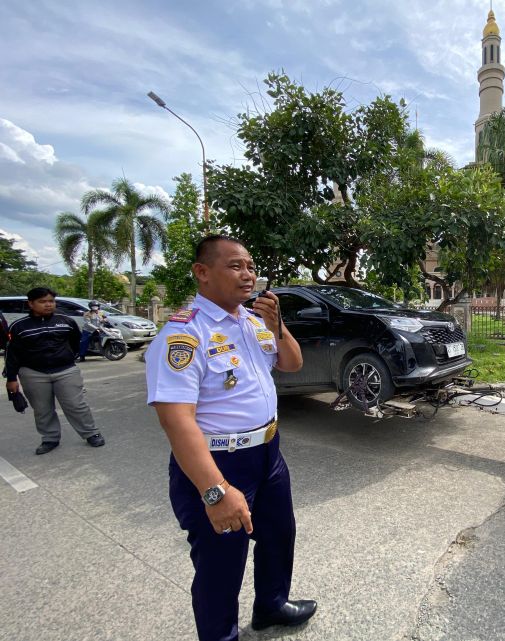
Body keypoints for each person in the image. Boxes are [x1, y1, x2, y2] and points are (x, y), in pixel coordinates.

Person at [145, 235, 316, 641]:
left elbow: (292, 363)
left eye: (251, 266)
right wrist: (216, 490)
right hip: (219, 462)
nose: (248, 274)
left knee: (278, 536)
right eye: (235, 266)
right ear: (202, 272)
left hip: (268, 453)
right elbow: (176, 422)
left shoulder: (253, 322)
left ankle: (271, 605)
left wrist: (277, 325)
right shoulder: (184, 334)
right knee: (220, 564)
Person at [3, 287, 105, 455]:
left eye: (51, 301)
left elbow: (76, 342)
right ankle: (50, 438)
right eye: (42, 302)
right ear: (31, 304)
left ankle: (91, 433)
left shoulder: (66, 322)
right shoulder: (19, 326)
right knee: (42, 409)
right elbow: (13, 354)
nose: (48, 305)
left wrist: (67, 357)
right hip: (33, 373)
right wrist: (11, 378)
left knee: (76, 405)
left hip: (66, 370)